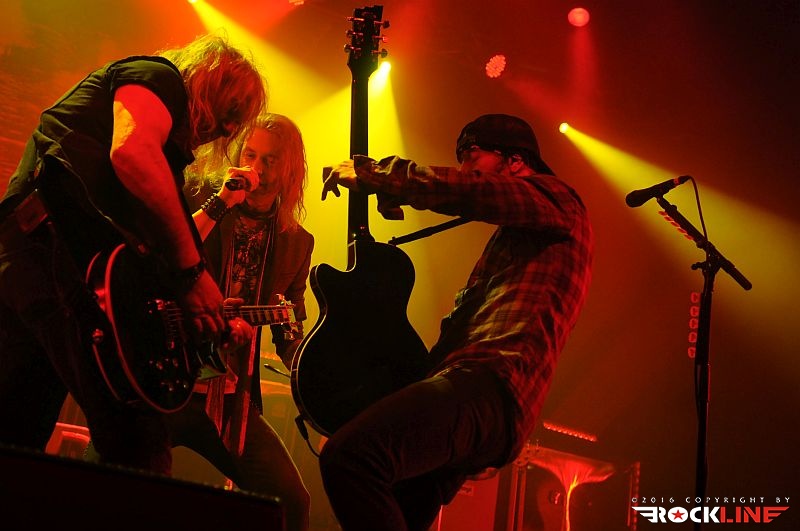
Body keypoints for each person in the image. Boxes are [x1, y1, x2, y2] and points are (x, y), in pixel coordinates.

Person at [0, 33, 266, 475]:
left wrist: (201, 320)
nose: (229, 128)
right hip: (51, 256)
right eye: (231, 108)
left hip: (35, 261)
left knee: (16, 431)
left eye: (238, 121)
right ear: (207, 79)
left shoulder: (166, 168)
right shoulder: (157, 77)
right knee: (137, 443)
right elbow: (132, 153)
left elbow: (139, 264)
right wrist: (193, 275)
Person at [317, 113, 594, 530]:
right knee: (398, 506)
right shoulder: (523, 237)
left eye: (473, 156)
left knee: (350, 458)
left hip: (489, 383)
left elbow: (475, 191)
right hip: (487, 394)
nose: (465, 169)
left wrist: (379, 175)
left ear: (515, 161)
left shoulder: (559, 199)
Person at [168, 113, 314, 531]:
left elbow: (289, 328)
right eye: (250, 155)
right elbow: (167, 253)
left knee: (291, 502)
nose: (256, 169)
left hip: (226, 395)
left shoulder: (296, 242)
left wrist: (315, 370)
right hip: (162, 377)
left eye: (270, 160)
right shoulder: (201, 195)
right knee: (108, 480)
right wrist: (221, 202)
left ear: (290, 171)